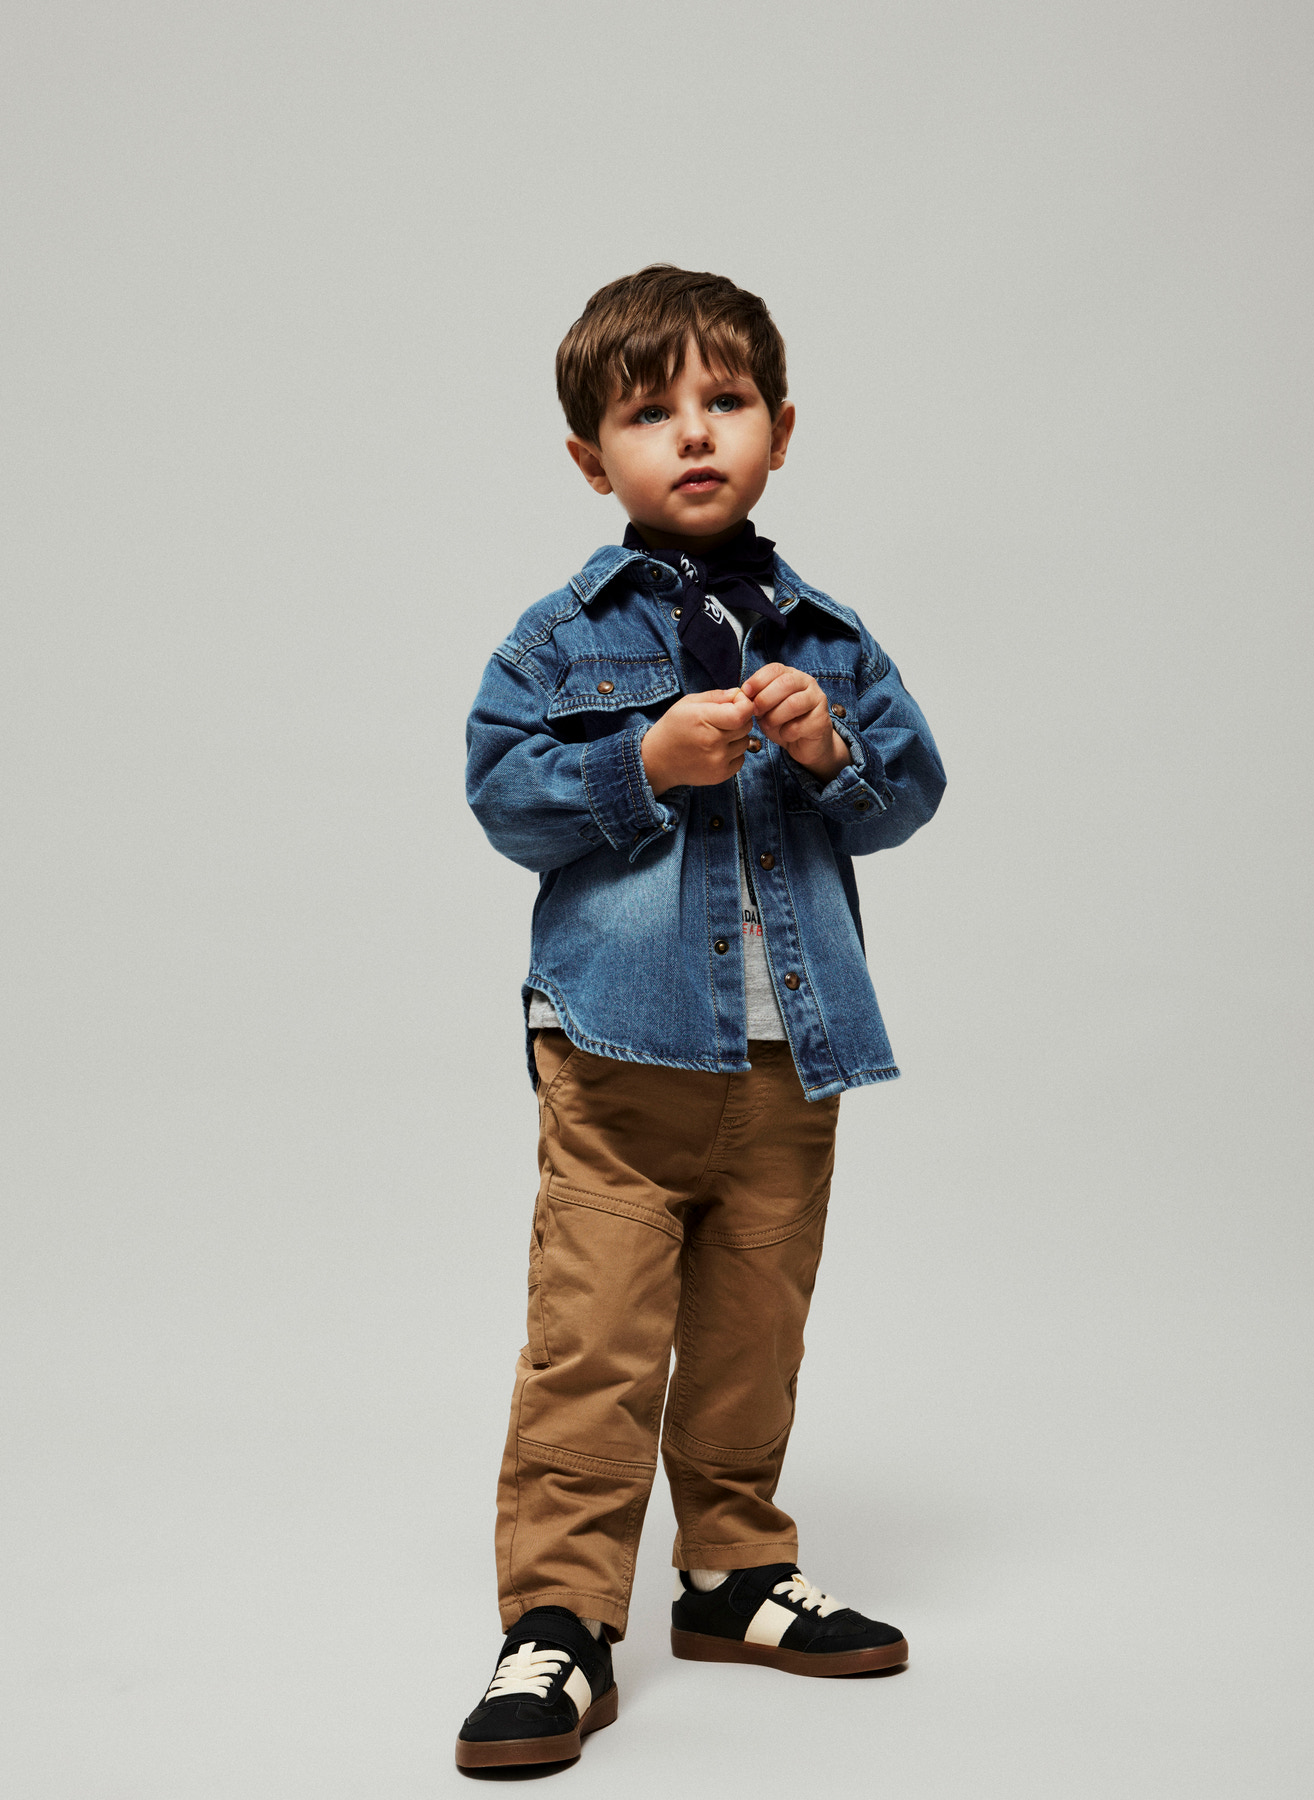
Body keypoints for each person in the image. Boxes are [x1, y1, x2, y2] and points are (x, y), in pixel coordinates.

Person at [457, 265, 946, 1771]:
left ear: (778, 432)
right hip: (619, 1056)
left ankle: (732, 1573)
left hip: (789, 1057)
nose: (690, 433)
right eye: (646, 412)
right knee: (594, 1339)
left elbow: (909, 793)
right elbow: (504, 794)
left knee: (751, 1330)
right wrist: (640, 765)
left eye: (723, 402)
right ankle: (559, 1619)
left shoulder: (828, 636)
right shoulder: (562, 638)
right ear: (587, 457)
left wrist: (829, 751)